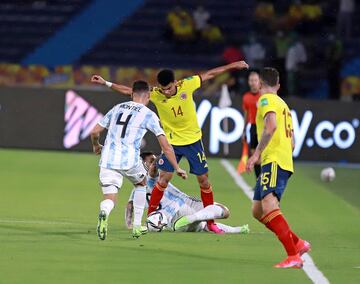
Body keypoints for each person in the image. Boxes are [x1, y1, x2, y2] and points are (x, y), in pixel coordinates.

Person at [91, 60, 249, 234]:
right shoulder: (156, 94)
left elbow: (210, 74)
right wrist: (106, 83)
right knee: (163, 179)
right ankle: (151, 217)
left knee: (203, 180)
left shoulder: (187, 85)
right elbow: (131, 91)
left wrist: (233, 66)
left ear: (175, 83)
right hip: (172, 143)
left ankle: (210, 222)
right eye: (162, 88)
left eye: (168, 88)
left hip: (193, 142)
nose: (165, 92)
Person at [90, 80, 187, 240]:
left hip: (108, 159)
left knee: (110, 198)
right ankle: (136, 226)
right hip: (129, 161)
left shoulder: (117, 108)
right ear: (148, 96)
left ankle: (104, 212)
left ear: (132, 94)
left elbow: (94, 132)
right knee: (141, 184)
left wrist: (96, 146)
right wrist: (177, 167)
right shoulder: (148, 114)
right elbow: (166, 146)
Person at [246, 68, 310, 268]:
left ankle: (293, 256)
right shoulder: (284, 105)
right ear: (278, 85)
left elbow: (271, 126)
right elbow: (292, 143)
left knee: (269, 205)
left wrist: (256, 154)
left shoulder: (265, 100)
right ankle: (298, 243)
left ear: (260, 84)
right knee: (257, 210)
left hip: (273, 160)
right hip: (282, 160)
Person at [125, 152, 250, 234]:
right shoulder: (150, 177)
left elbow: (130, 206)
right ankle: (191, 218)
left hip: (173, 217)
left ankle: (237, 230)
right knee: (222, 212)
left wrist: (130, 224)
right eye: (150, 160)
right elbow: (153, 170)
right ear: (142, 164)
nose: (154, 161)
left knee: (206, 222)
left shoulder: (138, 189)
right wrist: (165, 153)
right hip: (179, 207)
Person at [242, 71, 261, 178]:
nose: (253, 82)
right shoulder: (246, 97)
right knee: (255, 156)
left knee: (264, 157)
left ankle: (266, 181)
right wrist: (244, 130)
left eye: (255, 80)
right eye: (251, 80)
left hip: (263, 128)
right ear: (248, 82)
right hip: (253, 128)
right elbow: (246, 114)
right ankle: (259, 181)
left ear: (259, 82)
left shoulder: (264, 95)